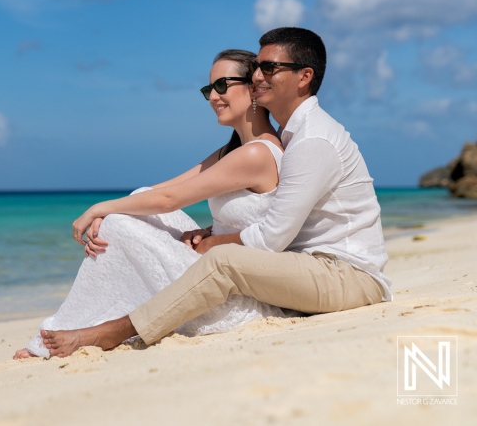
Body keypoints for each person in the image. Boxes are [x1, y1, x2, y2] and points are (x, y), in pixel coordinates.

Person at [40, 27, 392, 358]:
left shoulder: (311, 140)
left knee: (222, 260)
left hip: (347, 276)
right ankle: (89, 318)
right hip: (310, 266)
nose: (258, 76)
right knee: (141, 212)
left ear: (304, 77)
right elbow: (262, 210)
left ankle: (116, 329)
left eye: (269, 68)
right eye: (257, 69)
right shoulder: (291, 136)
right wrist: (207, 231)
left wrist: (211, 243)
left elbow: (272, 236)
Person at [15, 48, 289, 359]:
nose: (214, 97)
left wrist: (99, 209)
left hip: (233, 292)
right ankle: (85, 323)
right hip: (218, 266)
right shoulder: (233, 151)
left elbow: (170, 200)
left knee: (118, 220)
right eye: (209, 89)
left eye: (223, 85)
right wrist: (112, 209)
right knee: (133, 200)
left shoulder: (256, 154)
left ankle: (70, 329)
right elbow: (162, 189)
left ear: (254, 87)